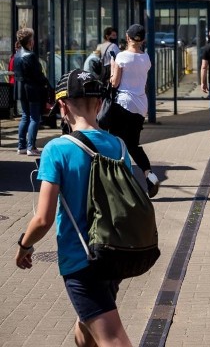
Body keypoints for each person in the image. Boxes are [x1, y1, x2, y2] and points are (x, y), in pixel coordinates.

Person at [15, 69, 133, 347]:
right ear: (100, 104)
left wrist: (24, 245)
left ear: (62, 105)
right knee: (88, 324)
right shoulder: (119, 146)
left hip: (81, 261)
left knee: (113, 338)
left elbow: (43, 219)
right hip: (113, 254)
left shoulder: (56, 149)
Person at [105, 24, 160, 197]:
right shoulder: (146, 58)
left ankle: (120, 184)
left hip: (123, 104)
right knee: (132, 144)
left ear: (128, 38)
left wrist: (113, 66)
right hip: (140, 106)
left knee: (116, 143)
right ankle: (148, 174)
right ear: (142, 39)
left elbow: (114, 83)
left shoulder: (121, 57)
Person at [14, 27, 49, 156]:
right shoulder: (31, 55)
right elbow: (37, 75)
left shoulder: (17, 54)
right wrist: (45, 83)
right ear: (30, 42)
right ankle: (31, 146)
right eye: (32, 39)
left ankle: (21, 146)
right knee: (34, 117)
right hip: (32, 89)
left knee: (24, 116)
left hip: (20, 89)